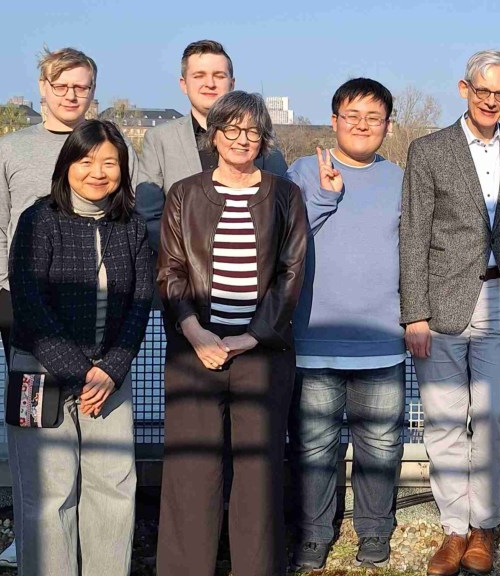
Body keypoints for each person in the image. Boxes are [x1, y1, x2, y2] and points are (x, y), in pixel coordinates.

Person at [0, 46, 137, 570]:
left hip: (101, 356)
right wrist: (2, 303)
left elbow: (139, 296)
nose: (73, 94)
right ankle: (42, 557)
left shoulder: (116, 184)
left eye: (83, 86)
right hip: (29, 330)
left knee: (108, 479)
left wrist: (105, 368)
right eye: (62, 85)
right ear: (43, 87)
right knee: (44, 477)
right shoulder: (15, 157)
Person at [399, 49, 500, 576]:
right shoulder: (429, 150)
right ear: (464, 89)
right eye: (483, 91)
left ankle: (485, 527)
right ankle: (454, 530)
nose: (491, 101)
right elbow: (412, 234)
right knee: (442, 422)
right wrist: (413, 313)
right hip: (439, 305)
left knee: (496, 420)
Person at [155, 91, 307, 576]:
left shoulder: (285, 194)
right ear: (214, 135)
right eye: (232, 130)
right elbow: (171, 271)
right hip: (193, 353)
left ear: (264, 138)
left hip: (262, 354)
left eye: (252, 131)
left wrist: (253, 335)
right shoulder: (183, 193)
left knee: (259, 476)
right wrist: (196, 332)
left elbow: (291, 273)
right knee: (190, 473)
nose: (242, 140)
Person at [7, 119, 154, 575]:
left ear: (123, 170)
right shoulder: (38, 219)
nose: (97, 171)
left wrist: (111, 368)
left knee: (113, 488)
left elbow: (141, 301)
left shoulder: (129, 226)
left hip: (108, 378)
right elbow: (28, 302)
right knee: (48, 494)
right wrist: (78, 371)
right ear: (66, 164)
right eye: (86, 159)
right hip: (40, 373)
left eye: (110, 162)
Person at [286, 78, 405, 571]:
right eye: (351, 115)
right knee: (313, 443)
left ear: (387, 126)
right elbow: (284, 242)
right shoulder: (302, 171)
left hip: (383, 338)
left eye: (373, 117)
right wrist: (325, 197)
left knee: (380, 442)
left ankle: (375, 530)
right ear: (333, 120)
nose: (361, 125)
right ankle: (314, 533)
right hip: (314, 338)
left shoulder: (400, 178)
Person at [135, 39, 288, 253]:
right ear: (183, 84)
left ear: (232, 83)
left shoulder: (260, 136)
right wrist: (183, 261)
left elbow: (284, 202)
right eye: (199, 76)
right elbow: (149, 215)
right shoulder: (159, 139)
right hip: (184, 273)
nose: (210, 84)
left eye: (219, 76)